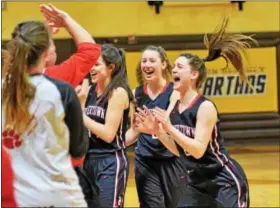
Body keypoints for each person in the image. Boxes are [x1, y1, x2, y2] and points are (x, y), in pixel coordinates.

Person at [135, 16, 256, 208]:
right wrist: (157, 132)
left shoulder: (204, 107)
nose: (174, 69)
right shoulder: (174, 104)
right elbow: (179, 150)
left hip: (223, 181)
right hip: (196, 182)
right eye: (174, 66)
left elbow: (198, 150)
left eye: (179, 67)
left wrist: (167, 127)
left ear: (193, 75)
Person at [2, 20, 88, 207]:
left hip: (16, 195)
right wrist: (80, 106)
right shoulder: (62, 91)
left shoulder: (4, 90)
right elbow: (78, 151)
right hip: (58, 195)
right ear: (46, 53)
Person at [39, 4, 101, 207]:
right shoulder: (56, 78)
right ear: (45, 55)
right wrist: (66, 21)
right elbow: (90, 50)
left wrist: (45, 33)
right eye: (53, 49)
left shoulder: (9, 83)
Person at [125, 45, 188, 208]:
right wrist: (113, 144)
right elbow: (134, 131)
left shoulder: (174, 93)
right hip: (145, 161)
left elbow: (173, 130)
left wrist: (156, 128)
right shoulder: (135, 94)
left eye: (152, 60)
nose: (147, 64)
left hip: (171, 160)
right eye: (144, 61)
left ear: (164, 65)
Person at [78, 44, 134, 208]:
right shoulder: (88, 91)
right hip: (88, 158)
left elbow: (108, 134)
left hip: (110, 160)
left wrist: (80, 115)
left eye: (96, 64)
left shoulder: (118, 93)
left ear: (111, 67)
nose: (91, 68)